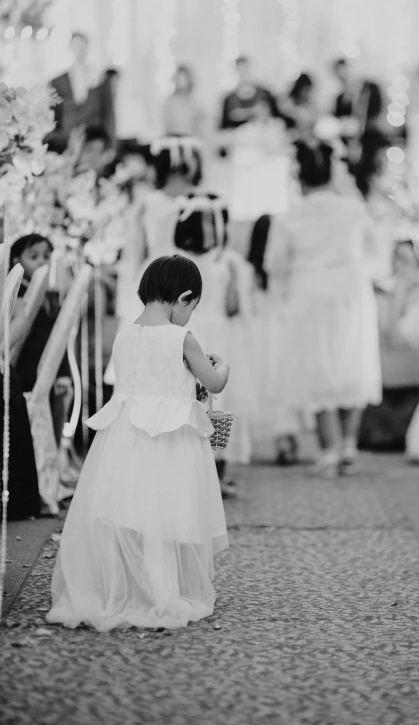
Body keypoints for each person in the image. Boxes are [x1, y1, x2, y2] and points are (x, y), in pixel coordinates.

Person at [47, 255, 229, 631]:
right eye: (191, 308)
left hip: (125, 440)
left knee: (129, 516)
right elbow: (212, 383)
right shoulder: (183, 337)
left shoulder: (126, 333)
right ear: (183, 297)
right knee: (166, 516)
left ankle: (121, 588)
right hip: (169, 442)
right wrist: (223, 365)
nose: (190, 316)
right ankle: (162, 594)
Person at [267, 140, 382, 476]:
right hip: (351, 289)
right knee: (352, 362)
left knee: (318, 368)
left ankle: (330, 449)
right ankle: (348, 443)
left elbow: (276, 263)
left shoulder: (291, 214)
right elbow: (376, 250)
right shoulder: (352, 208)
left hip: (309, 293)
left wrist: (280, 297)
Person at [174, 198, 255, 495]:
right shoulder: (226, 261)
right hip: (219, 333)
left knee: (188, 398)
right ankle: (216, 472)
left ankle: (191, 471)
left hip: (186, 330)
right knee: (220, 402)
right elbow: (234, 307)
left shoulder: (175, 261)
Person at [10, 235, 72, 445]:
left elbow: (57, 338)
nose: (42, 262)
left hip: (48, 371)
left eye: (46, 256)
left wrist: (63, 373)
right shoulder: (16, 294)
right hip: (23, 371)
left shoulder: (50, 296)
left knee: (51, 427)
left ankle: (49, 469)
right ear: (15, 259)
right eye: (33, 256)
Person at [247, 214, 298, 464]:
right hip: (284, 330)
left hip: (259, 335)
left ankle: (281, 439)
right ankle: (287, 437)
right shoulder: (286, 270)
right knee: (285, 383)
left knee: (266, 384)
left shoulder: (248, 271)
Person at [332, 57, 385, 196]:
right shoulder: (340, 98)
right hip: (348, 145)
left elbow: (376, 115)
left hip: (367, 143)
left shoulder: (369, 90)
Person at [48, 33, 108, 150]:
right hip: (67, 138)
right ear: (71, 48)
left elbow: (107, 110)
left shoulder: (99, 76)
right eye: (76, 45)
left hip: (93, 137)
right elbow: (55, 113)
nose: (79, 49)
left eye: (82, 45)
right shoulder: (58, 81)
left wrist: (110, 144)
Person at [220, 56, 279, 131]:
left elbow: (277, 118)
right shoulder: (229, 99)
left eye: (245, 69)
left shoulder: (264, 94)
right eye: (240, 70)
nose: (243, 73)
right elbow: (224, 127)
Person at [163, 65, 205, 138]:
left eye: (183, 78)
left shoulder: (194, 101)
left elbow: (199, 124)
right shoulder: (169, 101)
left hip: (191, 139)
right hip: (173, 139)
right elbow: (167, 124)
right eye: (179, 78)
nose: (181, 82)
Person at [281, 73, 318, 140]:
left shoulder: (311, 104)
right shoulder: (288, 104)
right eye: (305, 90)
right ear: (299, 89)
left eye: (308, 90)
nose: (306, 93)